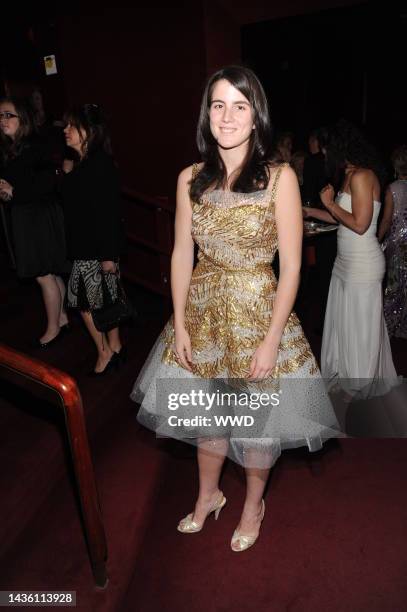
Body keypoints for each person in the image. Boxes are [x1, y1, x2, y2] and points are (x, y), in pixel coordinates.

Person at [131, 66, 339, 552]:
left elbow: (291, 269)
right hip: (202, 315)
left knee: (254, 421)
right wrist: (179, 322)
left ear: (256, 116)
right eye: (218, 105)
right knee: (207, 416)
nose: (227, 116)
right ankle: (208, 496)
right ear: (207, 114)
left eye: (239, 105)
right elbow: (183, 253)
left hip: (258, 316)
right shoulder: (189, 178)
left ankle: (253, 505)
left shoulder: (280, 178)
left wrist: (271, 340)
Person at [303, 120, 398, 396]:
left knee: (360, 328)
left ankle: (361, 384)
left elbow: (359, 224)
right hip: (344, 262)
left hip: (363, 263)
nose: (324, 156)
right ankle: (346, 375)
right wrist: (309, 212)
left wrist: (331, 204)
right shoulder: (348, 175)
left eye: (327, 150)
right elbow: (340, 220)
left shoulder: (362, 176)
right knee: (344, 323)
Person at [61, 104, 125, 374]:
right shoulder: (87, 163)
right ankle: (116, 346)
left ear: (90, 131)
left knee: (83, 303)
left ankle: (104, 353)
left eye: (72, 126)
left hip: (94, 247)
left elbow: (109, 212)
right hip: (94, 245)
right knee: (106, 298)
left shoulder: (96, 166)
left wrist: (109, 255)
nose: (66, 130)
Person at [0, 97, 68, 347]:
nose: (2, 121)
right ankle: (61, 319)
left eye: (8, 115)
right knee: (49, 271)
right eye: (0, 116)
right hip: (29, 215)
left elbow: (46, 184)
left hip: (37, 216)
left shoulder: (33, 147)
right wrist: (8, 192)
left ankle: (52, 328)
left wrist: (14, 192)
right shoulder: (13, 148)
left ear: (23, 119)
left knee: (43, 275)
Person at [378, 145, 407, 338]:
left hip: (397, 243)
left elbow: (387, 220)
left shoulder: (392, 189)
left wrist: (376, 239)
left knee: (394, 284)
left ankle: (390, 327)